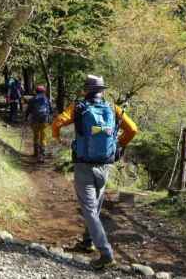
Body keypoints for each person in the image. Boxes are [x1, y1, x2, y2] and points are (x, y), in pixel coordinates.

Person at [52, 74, 138, 270]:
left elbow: (57, 122)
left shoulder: (79, 108)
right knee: (95, 207)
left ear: (86, 90)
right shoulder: (112, 108)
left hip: (84, 165)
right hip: (105, 164)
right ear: (102, 91)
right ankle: (87, 242)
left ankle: (106, 254)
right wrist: (118, 146)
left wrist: (58, 139)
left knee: (90, 210)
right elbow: (132, 129)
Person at [26, 85, 53, 162]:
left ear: (36, 91)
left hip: (35, 120)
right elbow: (51, 111)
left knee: (36, 136)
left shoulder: (33, 99)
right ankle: (42, 155)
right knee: (43, 137)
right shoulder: (47, 99)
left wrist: (26, 117)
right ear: (44, 91)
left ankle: (36, 152)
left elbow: (28, 110)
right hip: (44, 120)